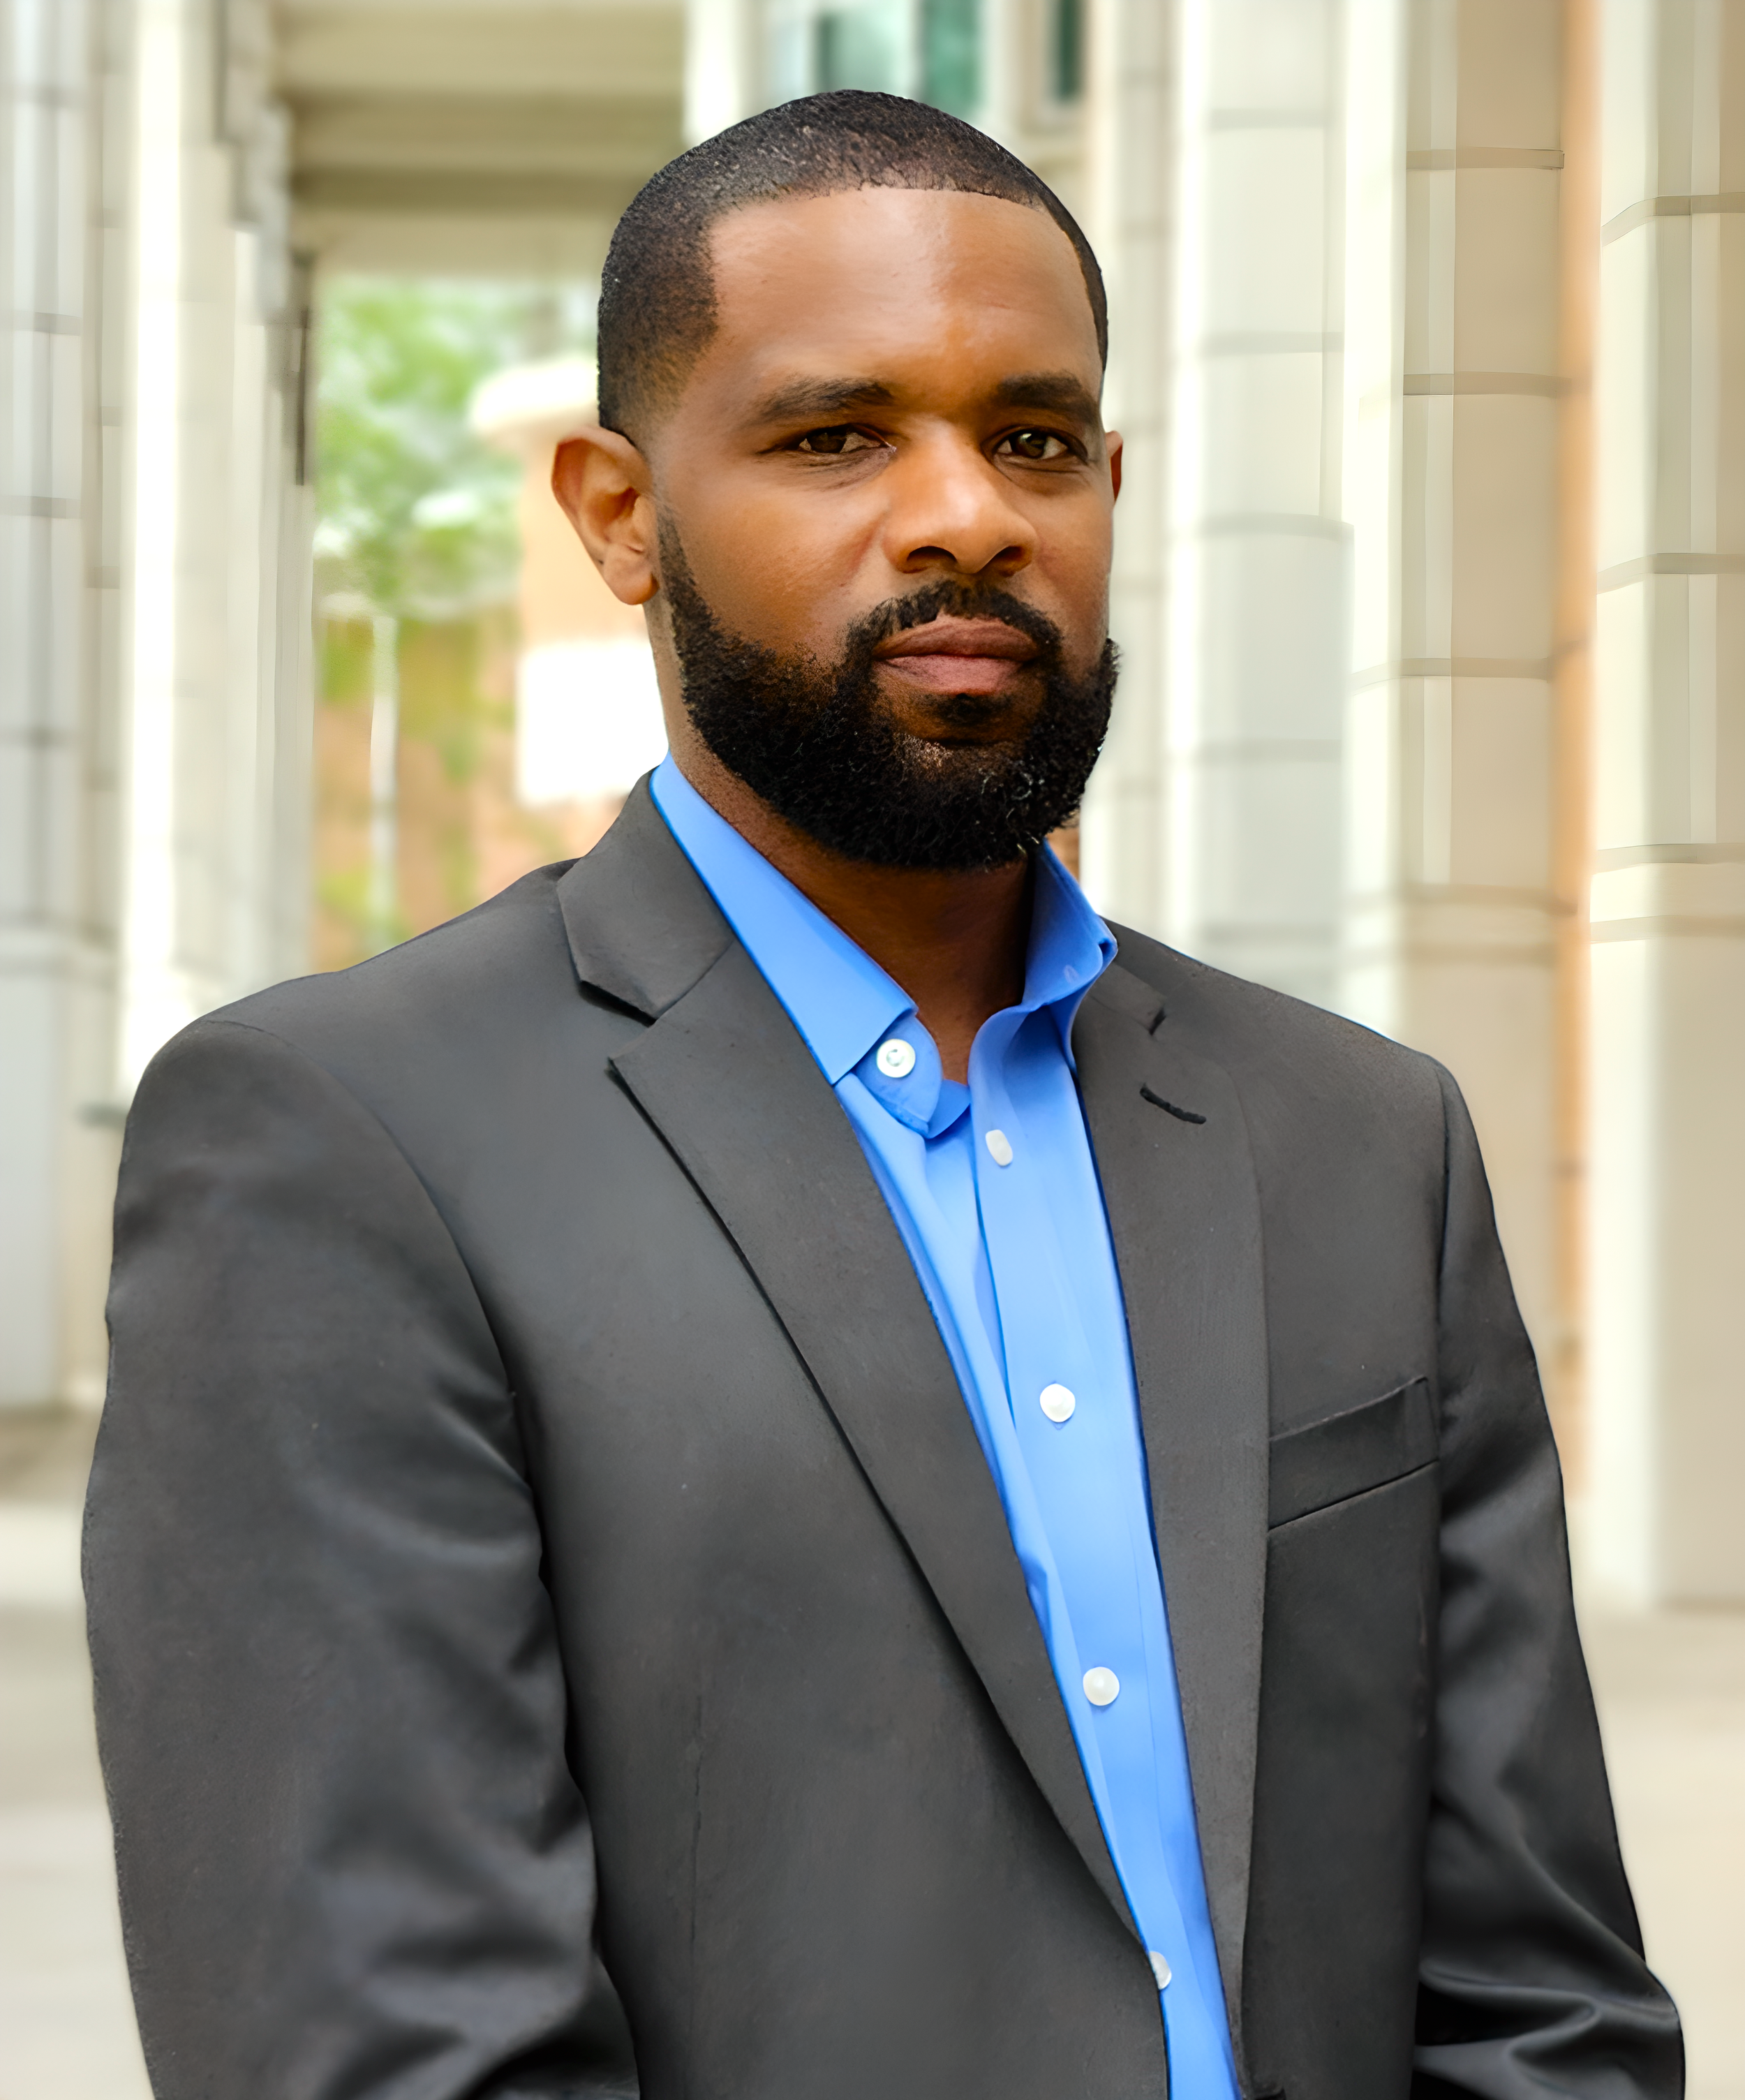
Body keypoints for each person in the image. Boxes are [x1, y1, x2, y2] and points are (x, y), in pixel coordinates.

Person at [86, 90, 1680, 2100]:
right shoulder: (339, 1147)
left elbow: (1541, 2004)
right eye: (837, 436)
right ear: (613, 511)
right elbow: (390, 2050)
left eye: (1033, 439)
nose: (966, 515)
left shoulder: (1360, 1142)